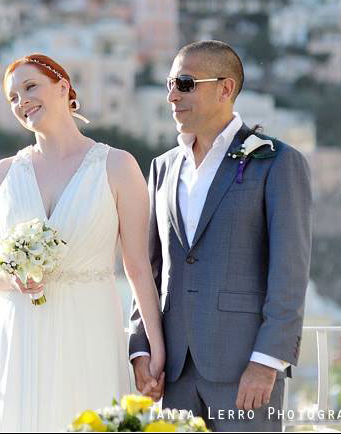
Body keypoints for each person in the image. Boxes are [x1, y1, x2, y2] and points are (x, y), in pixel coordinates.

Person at [0, 54, 165, 431]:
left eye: (30, 87)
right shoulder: (3, 174)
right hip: (17, 329)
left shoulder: (118, 166)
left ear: (63, 88)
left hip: (89, 328)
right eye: (12, 98)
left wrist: (156, 347)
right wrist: (11, 281)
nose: (21, 101)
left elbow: (138, 267)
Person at [128, 41, 312, 431]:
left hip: (245, 368)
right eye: (169, 83)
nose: (171, 95)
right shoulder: (162, 167)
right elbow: (148, 267)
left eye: (185, 83)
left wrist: (267, 361)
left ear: (225, 89)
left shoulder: (277, 161)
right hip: (174, 372)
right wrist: (141, 347)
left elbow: (290, 271)